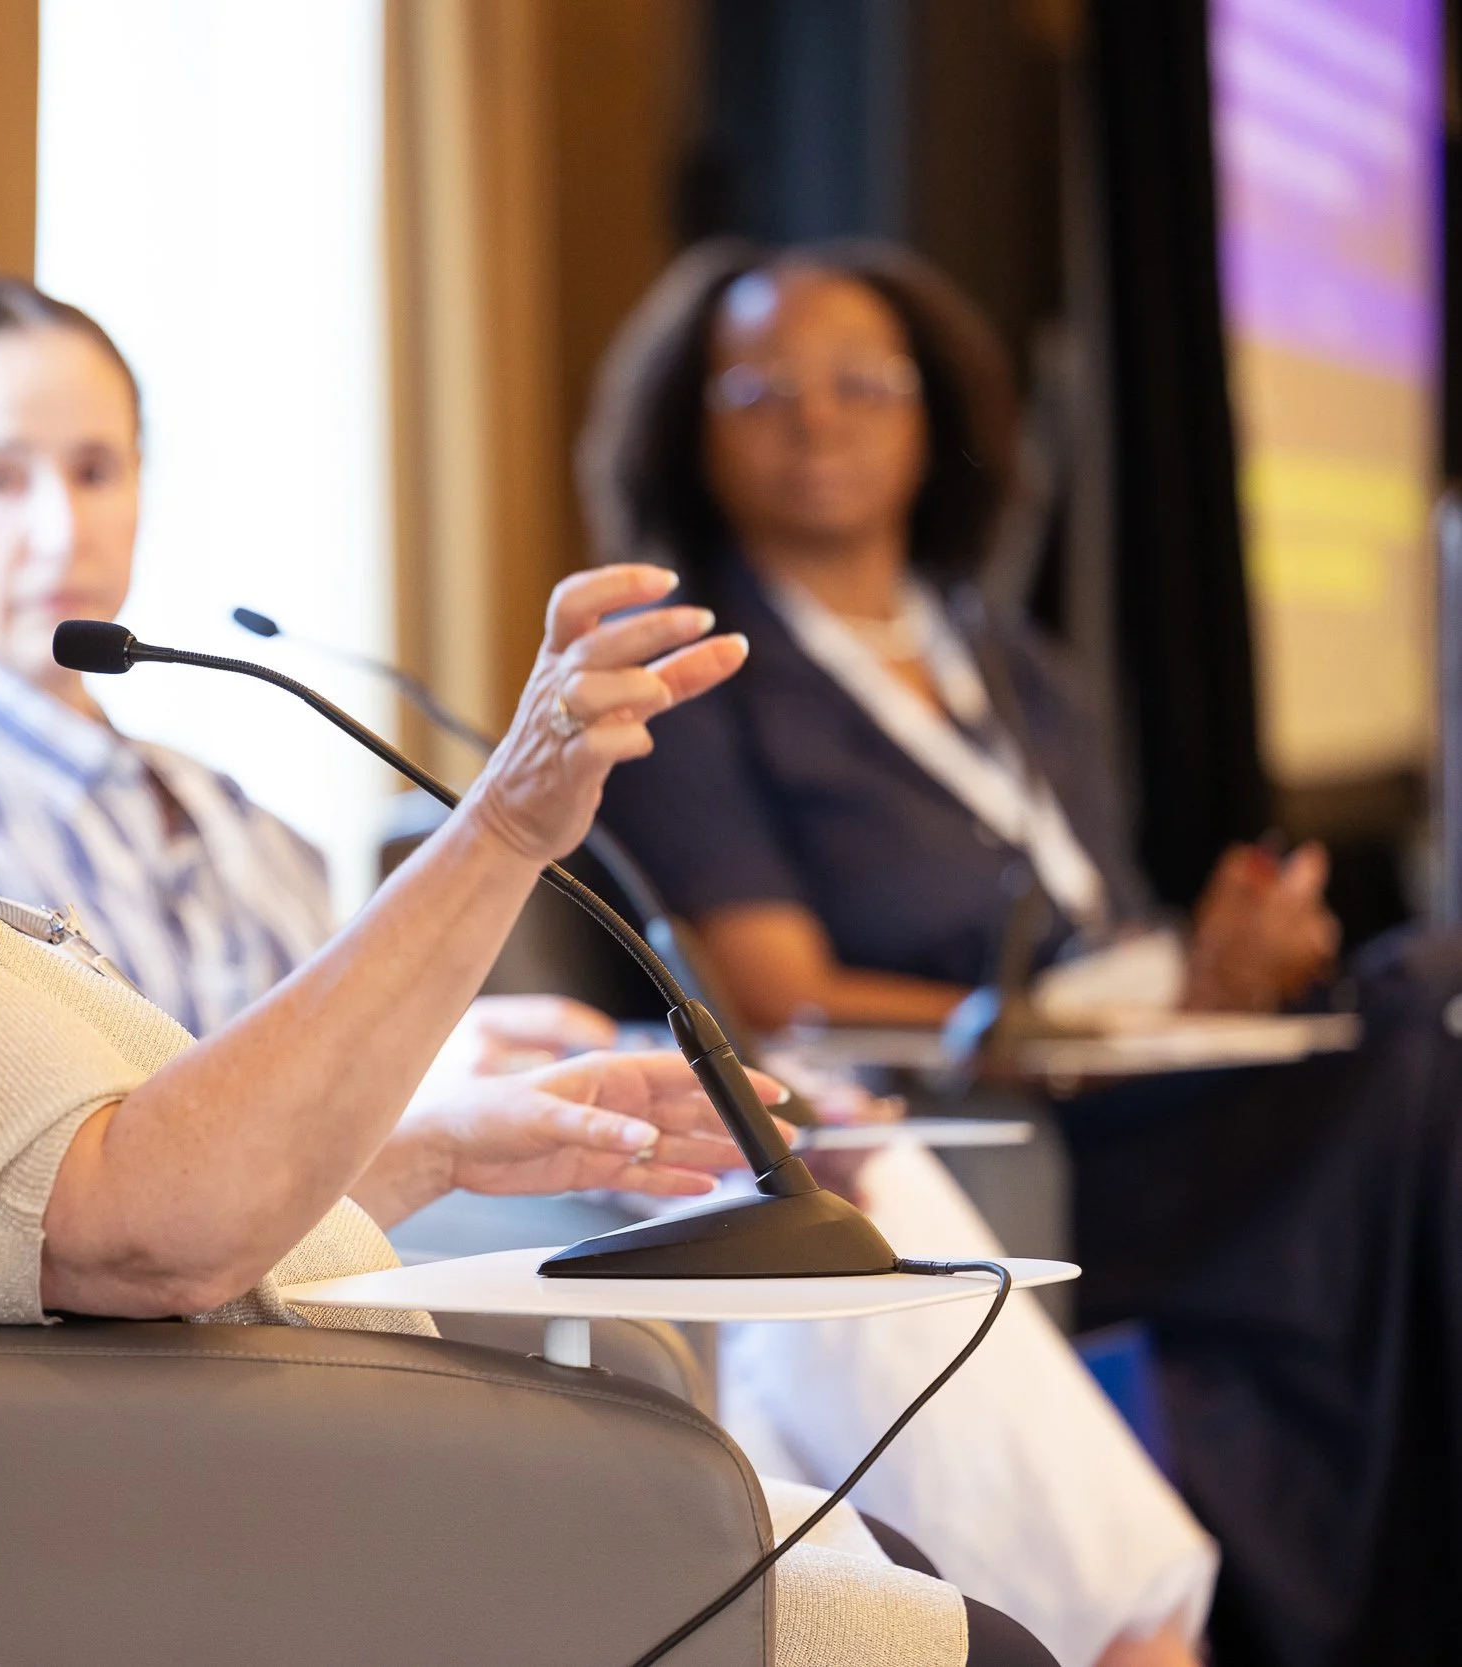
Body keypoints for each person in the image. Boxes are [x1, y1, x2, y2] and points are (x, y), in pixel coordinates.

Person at [0, 216, 1052, 1666]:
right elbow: (149, 1232)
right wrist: (509, 818)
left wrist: (435, 1141)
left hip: (271, 1500)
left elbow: (8, 1227)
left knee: (905, 1557)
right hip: (262, 1545)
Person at [0, 276, 1209, 1667]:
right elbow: (94, 1150)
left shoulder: (230, 805)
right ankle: (1127, 1638)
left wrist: (491, 1048)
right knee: (763, 1202)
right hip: (196, 1301)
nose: (61, 523)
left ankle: (1042, 1627)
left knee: (782, 1161)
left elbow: (343, 1049)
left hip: (361, 1216)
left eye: (97, 467)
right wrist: (446, 1071)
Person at [581, 236, 1462, 1667]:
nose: (817, 416)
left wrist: (1213, 970)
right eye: (762, 388)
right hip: (989, 1124)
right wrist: (1059, 1021)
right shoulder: (696, 673)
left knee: (1425, 990)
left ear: (935, 419)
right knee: (1415, 1064)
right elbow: (776, 988)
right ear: (693, 428)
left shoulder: (1011, 660)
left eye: (863, 382)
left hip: (1139, 1086)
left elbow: (1098, 927)